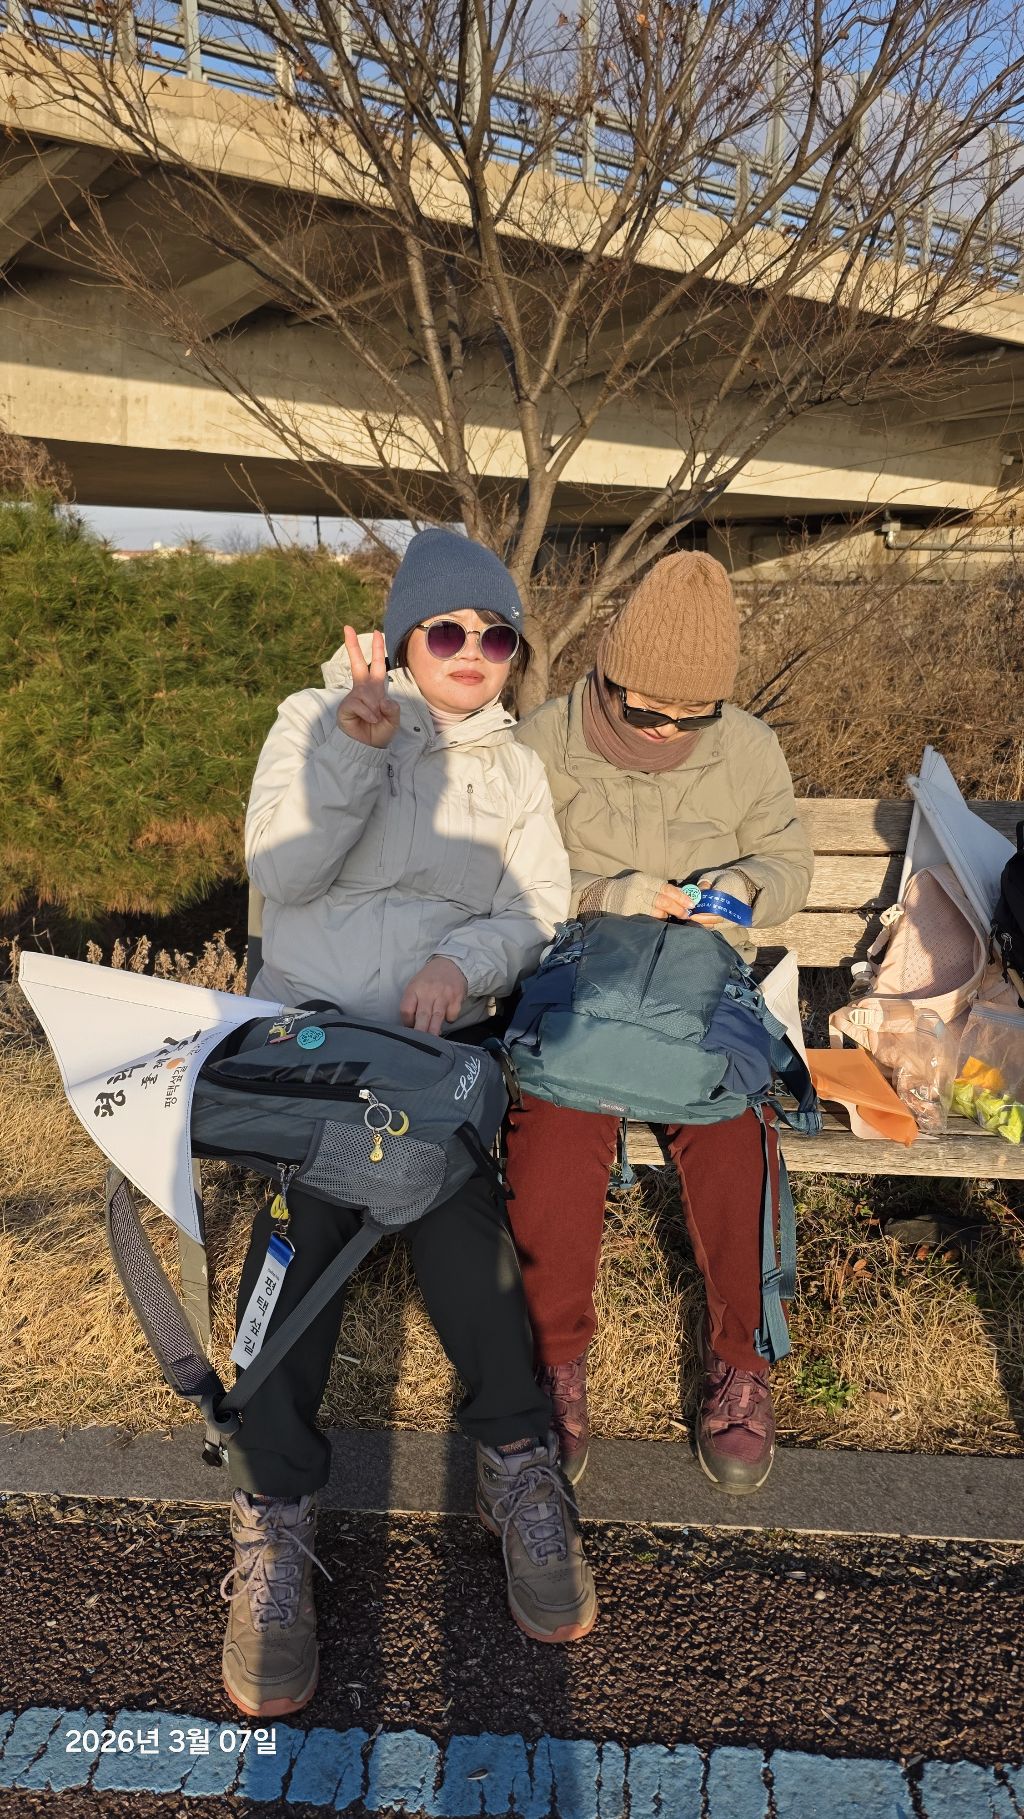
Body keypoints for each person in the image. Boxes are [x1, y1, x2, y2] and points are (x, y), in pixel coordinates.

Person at [222, 529, 596, 1720]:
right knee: (305, 1221)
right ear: (398, 640)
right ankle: (275, 1512)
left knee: (456, 1217)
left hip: (437, 1055)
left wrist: (459, 960)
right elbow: (280, 872)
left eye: (497, 635)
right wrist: (354, 749)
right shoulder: (313, 718)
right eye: (448, 630)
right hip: (320, 1039)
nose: (473, 651)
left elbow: (535, 909)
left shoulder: (514, 769)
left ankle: (517, 1464)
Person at [505, 550, 813, 1496]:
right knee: (554, 1124)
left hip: (700, 995)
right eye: (647, 712)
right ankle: (555, 1364)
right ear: (609, 673)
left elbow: (788, 858)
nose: (669, 729)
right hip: (580, 984)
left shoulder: (749, 748)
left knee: (734, 1129)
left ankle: (742, 1365)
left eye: (692, 716)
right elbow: (505, 869)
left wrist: (747, 884)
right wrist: (605, 892)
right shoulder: (544, 739)